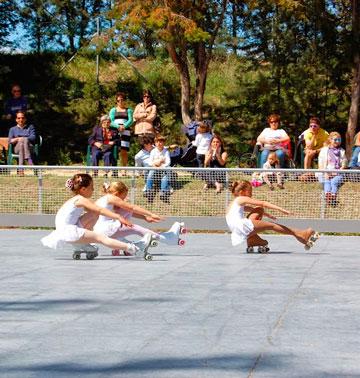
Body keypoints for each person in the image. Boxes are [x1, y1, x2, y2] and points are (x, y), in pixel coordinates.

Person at [41, 173, 153, 257]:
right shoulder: (81, 200)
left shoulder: (74, 199)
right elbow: (100, 209)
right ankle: (133, 248)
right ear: (83, 189)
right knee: (101, 237)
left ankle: (81, 245)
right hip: (69, 231)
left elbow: (95, 213)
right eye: (91, 187)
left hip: (64, 230)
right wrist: (118, 217)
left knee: (93, 214)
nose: (93, 190)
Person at [94, 181, 185, 255]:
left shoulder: (103, 199)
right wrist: (151, 214)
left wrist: (145, 218)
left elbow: (129, 211)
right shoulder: (112, 198)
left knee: (130, 223)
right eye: (124, 196)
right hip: (107, 229)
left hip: (99, 230)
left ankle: (119, 246)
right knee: (135, 228)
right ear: (117, 193)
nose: (124, 199)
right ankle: (168, 239)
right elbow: (132, 208)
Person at [226, 180, 319, 252]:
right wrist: (281, 209)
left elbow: (252, 209)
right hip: (242, 226)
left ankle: (252, 240)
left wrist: (268, 214)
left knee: (259, 209)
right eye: (250, 191)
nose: (251, 194)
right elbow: (263, 203)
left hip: (236, 229)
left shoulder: (234, 203)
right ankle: (301, 234)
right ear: (242, 192)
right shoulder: (241, 198)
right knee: (272, 225)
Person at [317, 132, 348, 206]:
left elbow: (344, 162)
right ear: (330, 140)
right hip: (326, 172)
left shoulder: (342, 151)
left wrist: (340, 169)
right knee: (327, 181)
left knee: (334, 181)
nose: (337, 141)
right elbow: (320, 163)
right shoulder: (324, 150)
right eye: (335, 139)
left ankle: (333, 195)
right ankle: (328, 195)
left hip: (337, 172)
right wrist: (326, 173)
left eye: (339, 140)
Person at [109, 92, 133, 176]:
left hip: (125, 132)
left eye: (122, 100)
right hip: (115, 132)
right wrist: (118, 127)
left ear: (124, 100)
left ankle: (124, 170)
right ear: (116, 101)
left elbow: (131, 120)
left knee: (124, 151)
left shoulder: (129, 110)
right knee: (114, 150)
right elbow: (110, 121)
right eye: (118, 100)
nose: (120, 102)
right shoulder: (113, 110)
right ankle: (114, 171)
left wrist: (124, 126)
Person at [144, 134, 171, 203]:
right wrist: (155, 164)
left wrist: (162, 166)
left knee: (165, 175)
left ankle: (163, 192)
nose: (159, 143)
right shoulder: (153, 151)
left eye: (161, 142)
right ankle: (148, 191)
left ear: (163, 143)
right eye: (157, 142)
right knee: (151, 173)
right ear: (155, 143)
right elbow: (150, 162)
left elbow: (168, 162)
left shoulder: (166, 151)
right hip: (154, 167)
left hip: (163, 168)